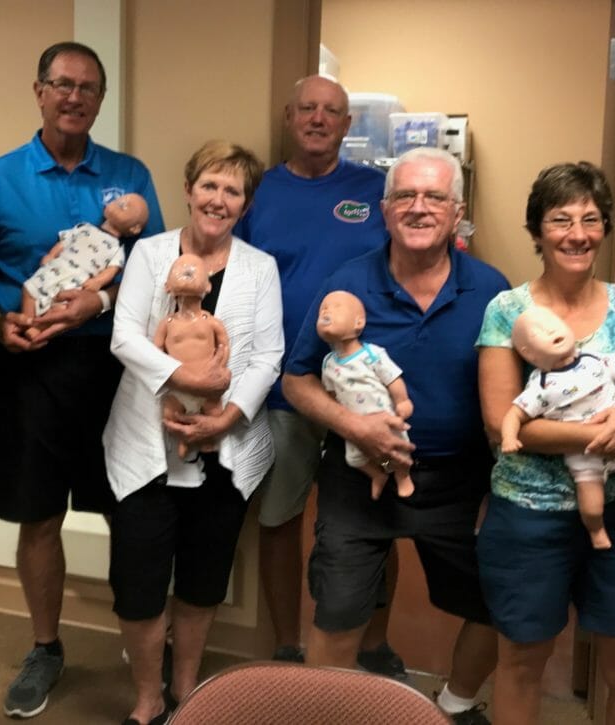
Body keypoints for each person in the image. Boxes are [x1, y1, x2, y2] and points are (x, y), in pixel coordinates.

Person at [0, 41, 164, 720]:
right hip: (29, 366)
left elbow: (156, 271)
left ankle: (141, 642)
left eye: (88, 88)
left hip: (113, 367)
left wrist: (101, 303)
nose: (74, 96)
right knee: (39, 513)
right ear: (39, 90)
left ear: (100, 100)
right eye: (62, 84)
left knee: (131, 510)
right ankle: (46, 645)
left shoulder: (129, 176)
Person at [283, 147, 508, 724]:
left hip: (459, 481)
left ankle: (455, 704)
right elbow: (296, 379)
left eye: (434, 197)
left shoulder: (491, 289)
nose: (418, 207)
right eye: (404, 196)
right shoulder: (348, 283)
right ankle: (324, 716)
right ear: (384, 211)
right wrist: (355, 425)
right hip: (357, 476)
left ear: (457, 212)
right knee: (335, 612)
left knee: (495, 601)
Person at [476, 161, 615, 725]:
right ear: (537, 231)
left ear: (604, 228)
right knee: (521, 661)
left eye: (591, 219)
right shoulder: (508, 312)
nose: (577, 234)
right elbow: (503, 424)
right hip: (527, 517)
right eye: (561, 220)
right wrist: (609, 430)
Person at [104, 140, 281, 725]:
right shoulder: (150, 255)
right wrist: (182, 377)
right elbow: (125, 336)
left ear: (245, 203)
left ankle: (186, 694)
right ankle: (148, 695)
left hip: (222, 451)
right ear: (188, 190)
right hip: (145, 445)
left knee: (204, 581)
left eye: (233, 190)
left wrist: (225, 418)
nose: (219, 199)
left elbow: (268, 357)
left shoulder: (260, 267)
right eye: (209, 185)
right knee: (139, 583)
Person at [233, 74, 401, 671]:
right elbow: (234, 281)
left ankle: (375, 643)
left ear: (347, 125)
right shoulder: (259, 193)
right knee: (279, 515)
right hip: (285, 385)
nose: (318, 119)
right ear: (288, 115)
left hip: (361, 385)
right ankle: (286, 642)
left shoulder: (376, 190)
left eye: (332, 111)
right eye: (307, 108)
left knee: (374, 518)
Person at [501, 304, 615, 549]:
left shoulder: (594, 359)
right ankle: (596, 529)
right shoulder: (542, 385)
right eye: (539, 333)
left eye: (553, 325)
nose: (549, 332)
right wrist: (509, 437)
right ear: (530, 354)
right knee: (591, 506)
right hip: (585, 455)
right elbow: (514, 414)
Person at [316, 290, 415, 499]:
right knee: (357, 459)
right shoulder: (328, 363)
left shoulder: (371, 354)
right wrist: (339, 415)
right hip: (355, 424)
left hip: (384, 418)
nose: (326, 311)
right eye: (322, 309)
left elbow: (392, 378)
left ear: (358, 323)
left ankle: (401, 476)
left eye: (336, 307)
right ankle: (379, 474)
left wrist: (402, 400)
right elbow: (331, 393)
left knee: (398, 453)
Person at [21, 193, 149, 319]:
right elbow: (64, 243)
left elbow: (112, 270)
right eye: (118, 200)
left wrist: (97, 282)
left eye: (124, 206)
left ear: (135, 229)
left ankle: (37, 328)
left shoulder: (116, 250)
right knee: (30, 288)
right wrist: (51, 254)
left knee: (60, 307)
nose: (117, 203)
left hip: (77, 279)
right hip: (57, 266)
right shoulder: (84, 227)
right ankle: (27, 322)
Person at [155, 253, 231, 457]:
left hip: (209, 386)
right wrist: (165, 372)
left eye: (193, 270)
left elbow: (223, 342)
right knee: (170, 414)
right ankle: (185, 438)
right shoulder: (167, 324)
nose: (187, 272)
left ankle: (206, 439)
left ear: (208, 286)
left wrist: (220, 364)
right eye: (180, 269)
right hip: (178, 388)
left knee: (214, 413)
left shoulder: (211, 321)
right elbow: (155, 351)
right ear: (167, 287)